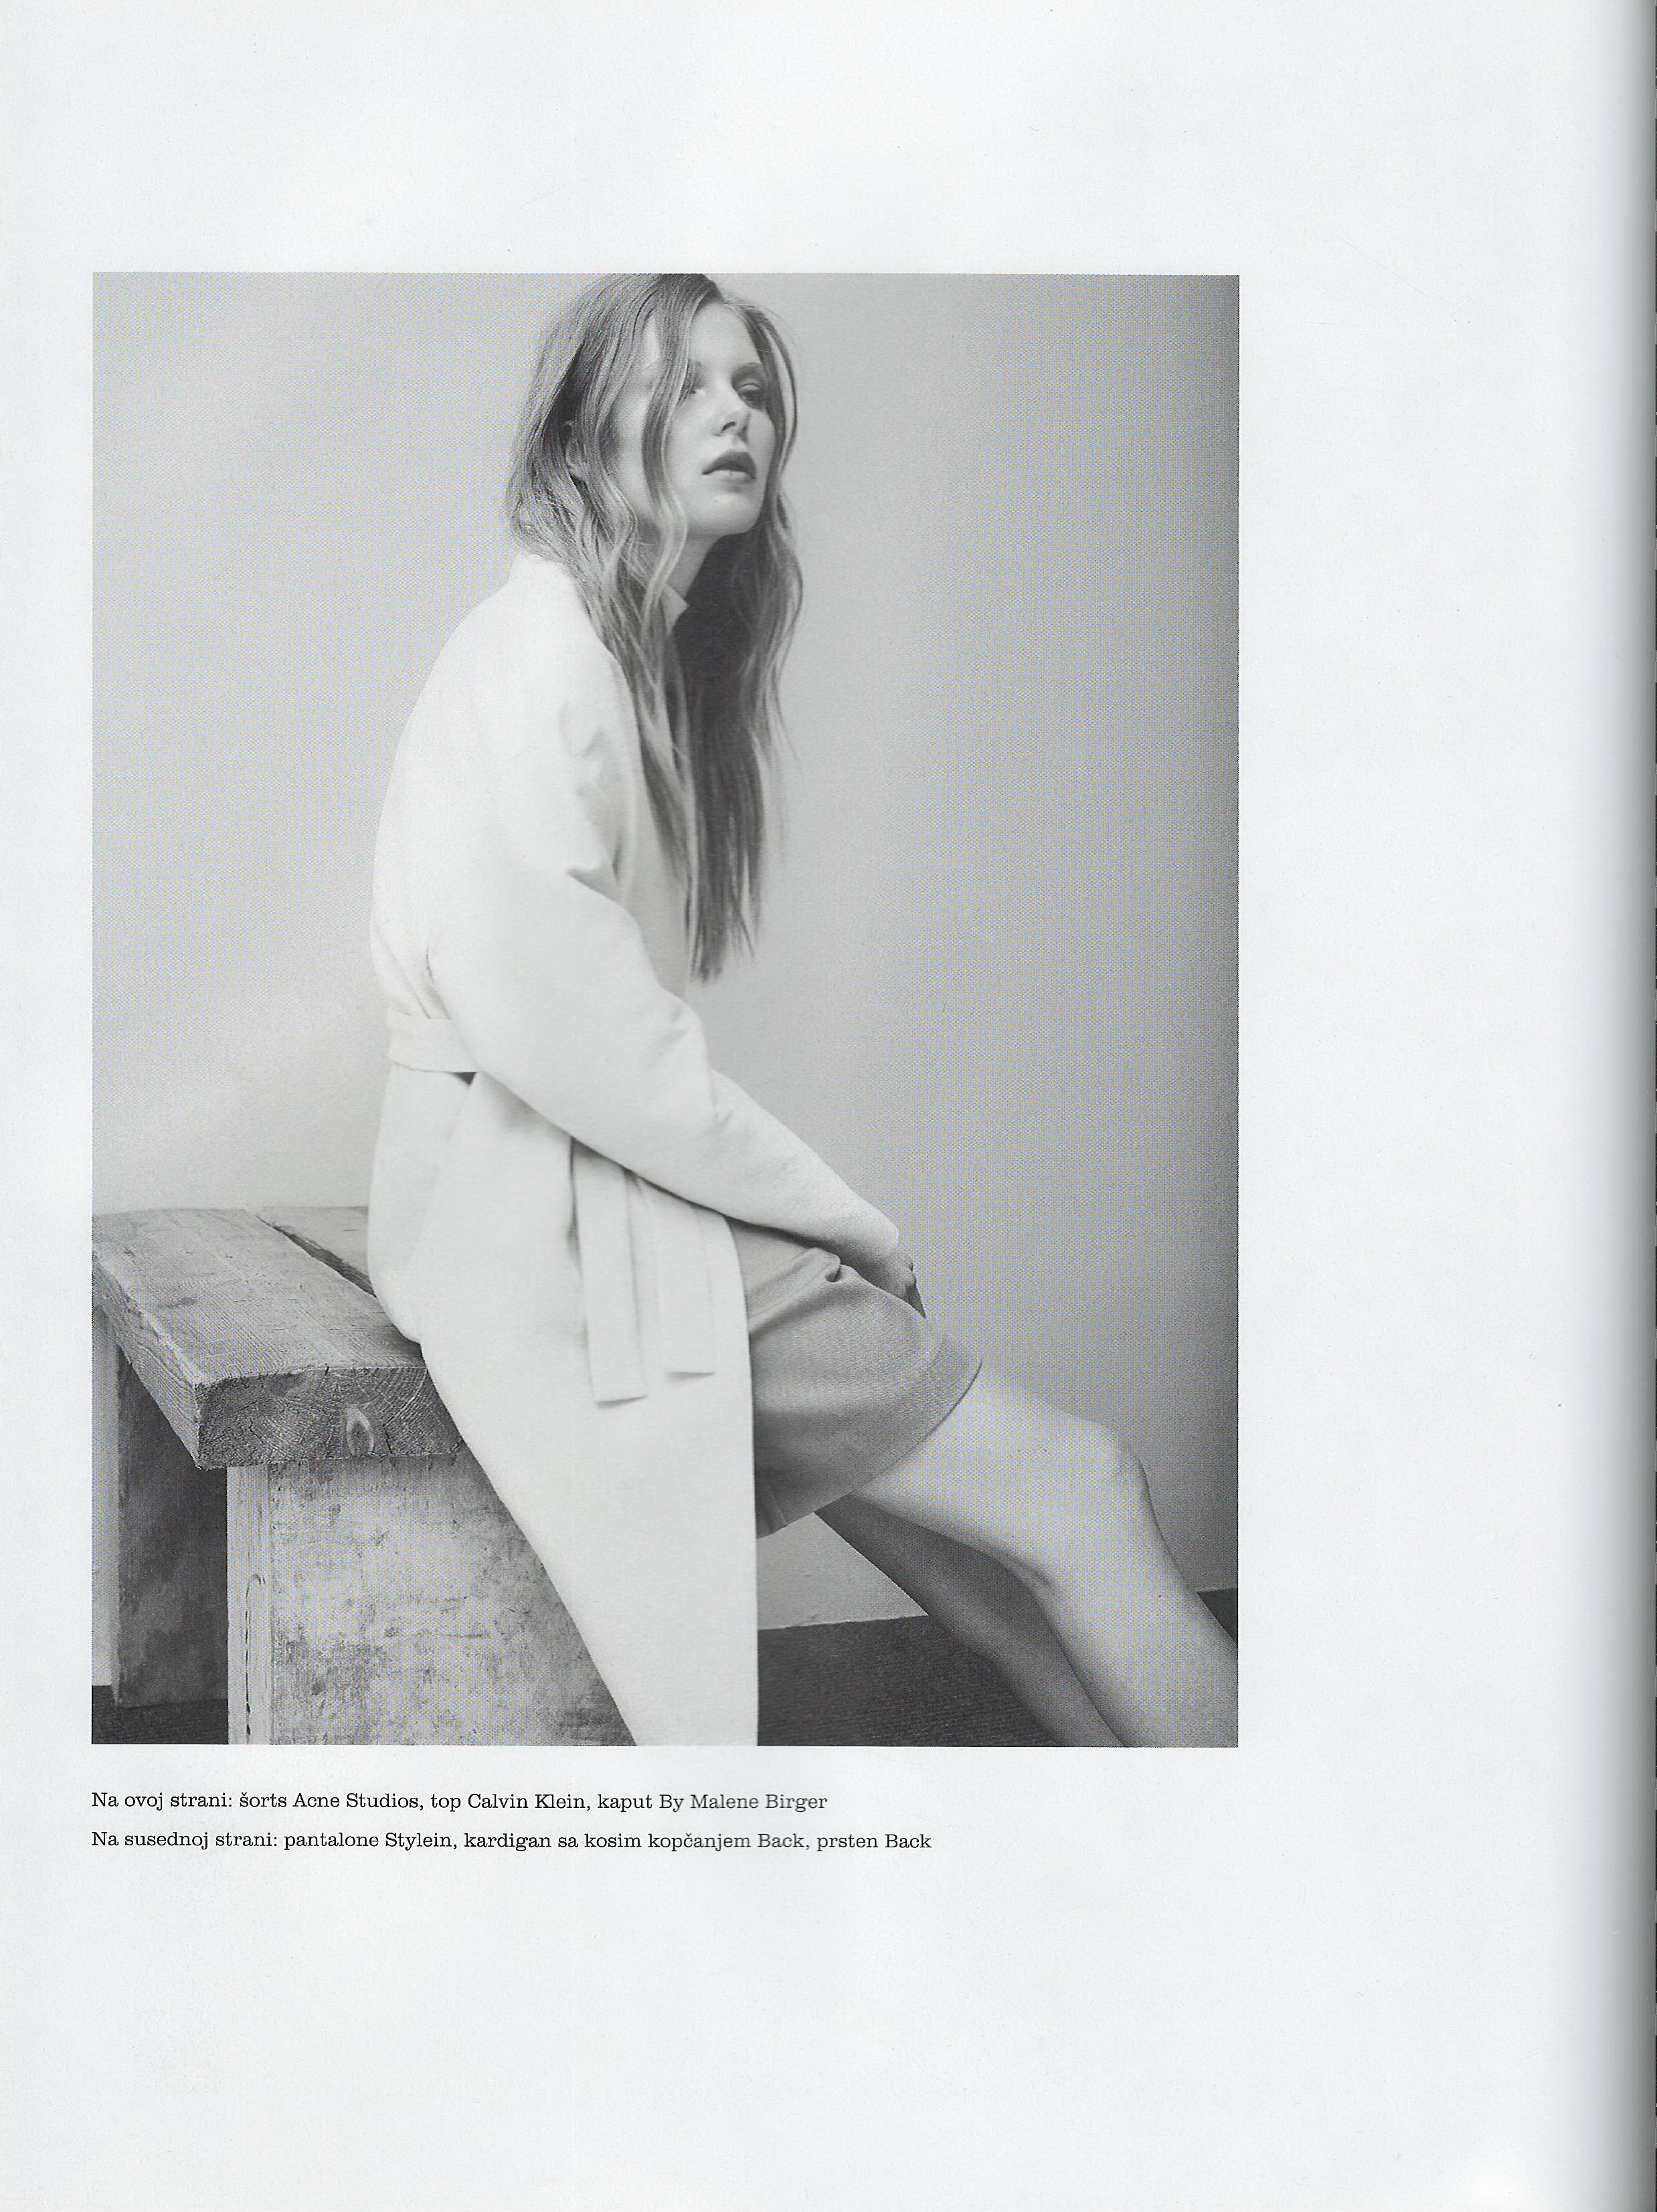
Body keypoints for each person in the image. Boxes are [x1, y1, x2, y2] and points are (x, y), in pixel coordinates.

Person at [367, 272, 1237, 1748]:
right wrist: (847, 1221)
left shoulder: (603, 654)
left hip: (554, 1199)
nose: (735, 416)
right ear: (583, 431)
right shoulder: (545, 657)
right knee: (1083, 1487)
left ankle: (1158, 1838)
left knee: (994, 1566)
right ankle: (1288, 1860)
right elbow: (585, 1048)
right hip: (542, 1221)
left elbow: (596, 1050)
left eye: (752, 389)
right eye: (685, 383)